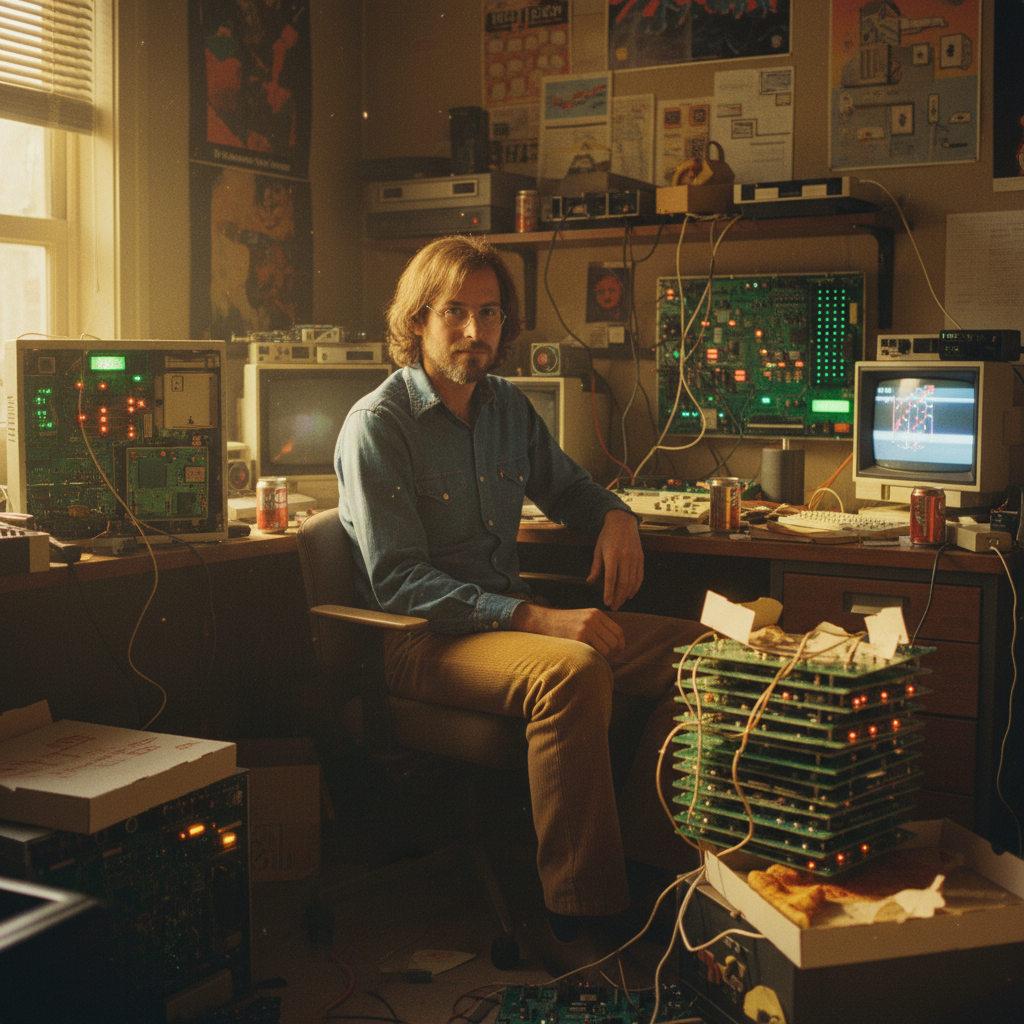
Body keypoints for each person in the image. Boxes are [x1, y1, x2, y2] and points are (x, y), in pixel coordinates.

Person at [334, 235, 704, 970]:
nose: (475, 331)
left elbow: (569, 489)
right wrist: (538, 619)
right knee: (573, 670)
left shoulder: (505, 405)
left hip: (505, 625)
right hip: (420, 640)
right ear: (418, 320)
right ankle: (576, 923)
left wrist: (616, 517)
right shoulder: (378, 424)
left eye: (491, 313)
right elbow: (401, 582)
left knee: (705, 657)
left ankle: (649, 876)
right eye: (456, 312)